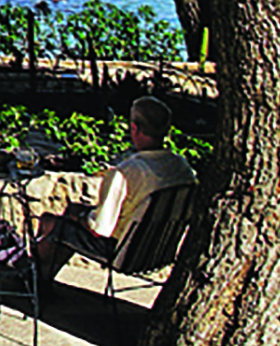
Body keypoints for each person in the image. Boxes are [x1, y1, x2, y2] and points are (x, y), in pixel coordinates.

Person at [34, 97, 194, 269]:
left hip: (122, 253)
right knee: (72, 212)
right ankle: (39, 280)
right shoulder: (182, 168)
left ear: (135, 128)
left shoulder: (126, 173)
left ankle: (32, 279)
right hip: (158, 251)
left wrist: (79, 218)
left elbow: (99, 228)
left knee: (51, 224)